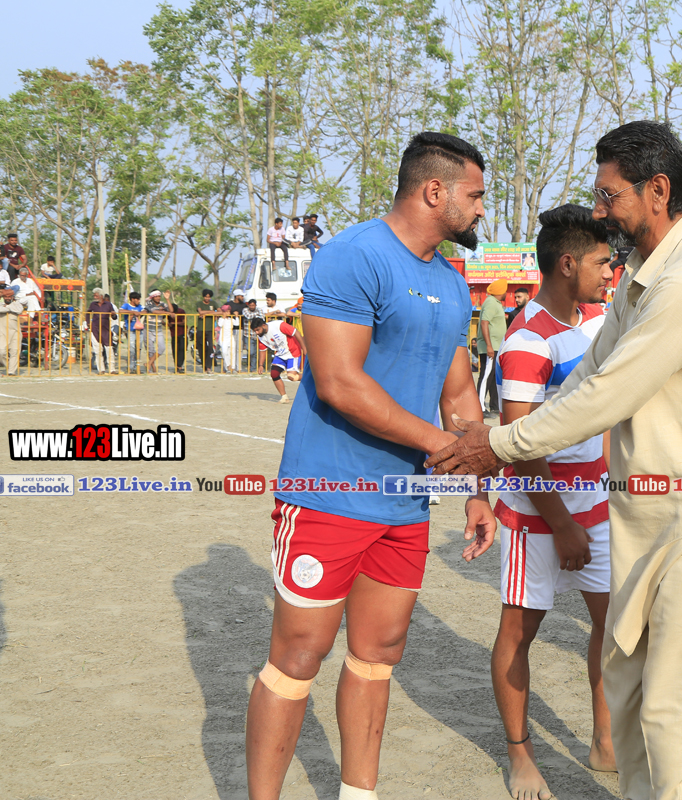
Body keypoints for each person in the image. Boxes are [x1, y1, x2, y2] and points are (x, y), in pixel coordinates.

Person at [426, 120, 682, 800]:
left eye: (610, 196)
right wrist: (504, 443)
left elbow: (609, 394)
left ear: (657, 191)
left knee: (670, 702)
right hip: (643, 512)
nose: (600, 211)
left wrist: (497, 446)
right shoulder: (640, 277)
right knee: (628, 679)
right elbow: (591, 376)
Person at [244, 131, 495, 800]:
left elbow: (459, 395)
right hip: (327, 495)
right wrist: (443, 447)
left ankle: (360, 793)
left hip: (404, 506)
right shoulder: (353, 255)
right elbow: (338, 383)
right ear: (434, 191)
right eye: (475, 195)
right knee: (298, 656)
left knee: (378, 655)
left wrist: (477, 489)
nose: (480, 209)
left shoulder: (452, 281)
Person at [487, 205, 617, 798]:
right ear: (568, 264)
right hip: (538, 513)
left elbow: (605, 412)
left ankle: (605, 741)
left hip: (595, 502)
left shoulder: (597, 322)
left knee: (613, 627)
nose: (610, 272)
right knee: (519, 632)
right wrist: (562, 523)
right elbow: (519, 447)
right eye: (601, 262)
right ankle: (520, 756)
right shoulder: (525, 341)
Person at [249, 317, 304, 404]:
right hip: (280, 354)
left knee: (292, 377)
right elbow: (262, 350)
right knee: (274, 373)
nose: (256, 333)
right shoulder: (261, 337)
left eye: (257, 330)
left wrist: (304, 348)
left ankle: (311, 378)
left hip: (292, 352)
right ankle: (284, 397)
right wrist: (260, 365)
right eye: (255, 331)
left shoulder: (278, 325)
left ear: (263, 326)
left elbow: (295, 332)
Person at [477, 278, 508, 413]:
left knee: (494, 376)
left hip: (496, 346)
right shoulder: (490, 302)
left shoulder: (496, 303)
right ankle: (480, 408)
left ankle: (494, 406)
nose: (506, 293)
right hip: (490, 346)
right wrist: (489, 346)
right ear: (501, 291)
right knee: (486, 376)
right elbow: (484, 322)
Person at [0, 286, 25, 377]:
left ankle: (11, 371)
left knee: (15, 351)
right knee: (1, 352)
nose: (7, 298)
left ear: (12, 297)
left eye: (9, 296)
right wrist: (11, 308)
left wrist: (7, 307)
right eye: (6, 296)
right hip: (2, 332)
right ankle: (9, 366)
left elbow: (19, 310)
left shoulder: (17, 304)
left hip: (15, 331)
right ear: (3, 297)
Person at [87, 288, 118, 375]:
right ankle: (101, 369)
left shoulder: (108, 304)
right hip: (95, 329)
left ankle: (112, 369)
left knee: (109, 349)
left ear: (101, 296)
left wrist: (113, 315)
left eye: (96, 295)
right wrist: (88, 323)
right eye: (94, 295)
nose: (94, 297)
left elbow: (114, 317)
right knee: (97, 349)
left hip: (105, 329)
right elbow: (88, 313)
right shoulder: (93, 304)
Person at [143, 290, 170, 373]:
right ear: (152, 297)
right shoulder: (149, 303)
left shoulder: (163, 304)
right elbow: (154, 311)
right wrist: (165, 312)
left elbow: (171, 310)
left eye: (159, 296)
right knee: (150, 350)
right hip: (148, 329)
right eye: (156, 296)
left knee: (162, 348)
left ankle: (148, 363)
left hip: (158, 329)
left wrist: (167, 299)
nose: (158, 298)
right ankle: (153, 369)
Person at [121, 291, 145, 374]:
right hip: (130, 330)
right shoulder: (126, 305)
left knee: (138, 348)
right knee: (132, 349)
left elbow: (145, 311)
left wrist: (139, 313)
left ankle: (137, 367)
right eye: (137, 299)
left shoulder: (139, 306)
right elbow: (120, 311)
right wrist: (132, 312)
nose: (139, 301)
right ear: (132, 299)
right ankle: (130, 367)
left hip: (139, 331)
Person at [195, 289, 217, 372]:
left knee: (210, 347)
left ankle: (209, 366)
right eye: (206, 297)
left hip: (210, 329)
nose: (207, 298)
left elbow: (220, 312)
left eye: (209, 297)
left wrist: (207, 313)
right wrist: (211, 312)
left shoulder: (213, 303)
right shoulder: (199, 303)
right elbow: (200, 311)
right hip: (201, 329)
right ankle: (204, 364)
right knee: (201, 348)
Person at [165, 292, 189, 373]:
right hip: (173, 334)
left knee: (182, 349)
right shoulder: (168, 313)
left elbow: (184, 322)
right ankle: (177, 366)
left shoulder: (181, 311)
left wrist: (174, 323)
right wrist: (166, 324)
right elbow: (166, 322)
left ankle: (180, 366)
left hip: (182, 333)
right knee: (175, 350)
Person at [242, 298, 266, 372]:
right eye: (250, 305)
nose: (251, 307)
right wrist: (256, 315)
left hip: (257, 335)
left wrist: (255, 316)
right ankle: (249, 364)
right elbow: (248, 316)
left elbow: (262, 318)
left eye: (253, 305)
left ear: (256, 305)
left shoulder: (260, 309)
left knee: (256, 353)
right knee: (250, 352)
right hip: (248, 334)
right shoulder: (245, 310)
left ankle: (253, 368)